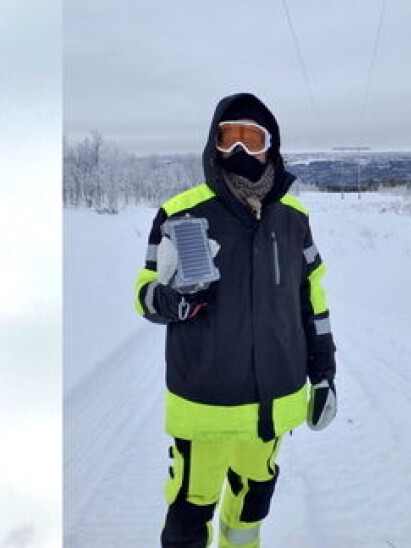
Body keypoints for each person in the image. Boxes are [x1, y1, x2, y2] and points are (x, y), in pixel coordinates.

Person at [133, 93, 338, 548]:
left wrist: (323, 375)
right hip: (205, 402)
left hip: (275, 403)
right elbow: (145, 296)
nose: (241, 150)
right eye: (230, 137)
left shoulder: (294, 219)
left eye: (253, 138)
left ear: (272, 146)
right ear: (215, 144)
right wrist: (174, 300)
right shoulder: (180, 213)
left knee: (250, 509)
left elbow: (313, 302)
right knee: (189, 514)